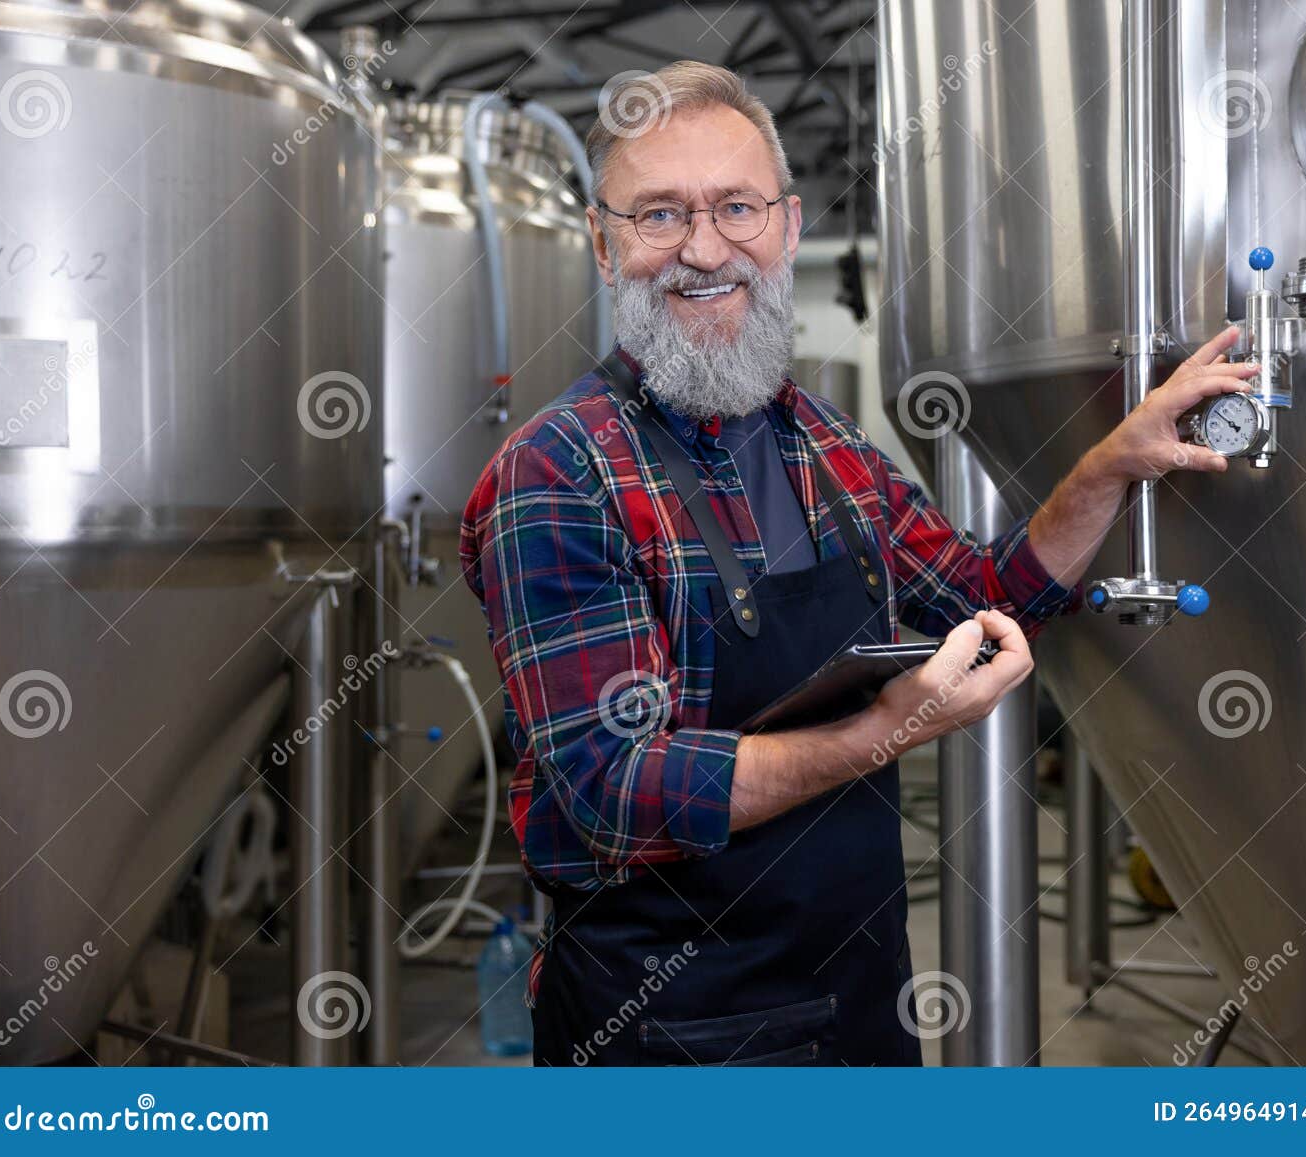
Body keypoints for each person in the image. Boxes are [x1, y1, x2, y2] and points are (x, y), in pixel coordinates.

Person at [459, 60, 1258, 1066]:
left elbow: (977, 594)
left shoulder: (822, 445)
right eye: (659, 215)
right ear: (603, 242)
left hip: (860, 994)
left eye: (735, 207)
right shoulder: (558, 472)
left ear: (787, 228)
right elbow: (616, 788)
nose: (702, 249)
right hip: (667, 1025)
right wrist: (887, 727)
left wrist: (1106, 465)